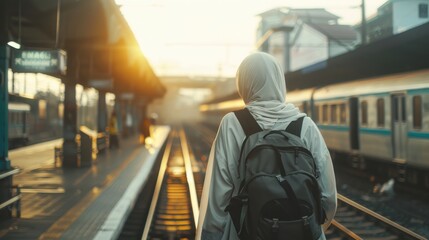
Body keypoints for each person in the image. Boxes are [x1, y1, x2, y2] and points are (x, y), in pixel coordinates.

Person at [196, 52, 337, 240]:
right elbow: (328, 198)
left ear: (244, 83)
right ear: (279, 80)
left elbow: (218, 195)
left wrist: (210, 235)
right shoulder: (306, 125)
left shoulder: (232, 123)